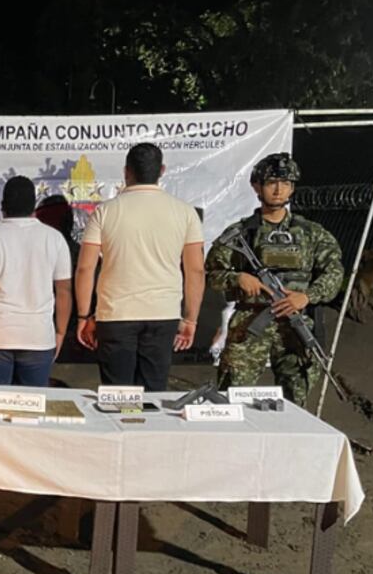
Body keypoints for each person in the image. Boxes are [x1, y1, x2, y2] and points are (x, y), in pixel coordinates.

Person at [206, 153, 343, 405]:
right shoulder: (240, 234)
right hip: (250, 324)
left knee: (296, 397)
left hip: (295, 325)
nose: (279, 190)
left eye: (286, 184)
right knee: (232, 395)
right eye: (271, 183)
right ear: (257, 186)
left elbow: (334, 273)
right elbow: (212, 273)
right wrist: (237, 278)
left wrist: (307, 296)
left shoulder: (312, 234)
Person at [75, 142, 205, 390]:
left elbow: (85, 268)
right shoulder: (186, 213)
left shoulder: (105, 212)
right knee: (154, 393)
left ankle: (125, 424)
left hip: (116, 315)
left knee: (118, 395)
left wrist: (83, 316)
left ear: (126, 172)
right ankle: (150, 427)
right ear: (162, 170)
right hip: (163, 314)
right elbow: (196, 270)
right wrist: (190, 320)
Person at [0, 176, 72, 386]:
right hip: (38, 338)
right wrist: (60, 333)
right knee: (32, 412)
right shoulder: (54, 239)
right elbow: (64, 291)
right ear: (34, 205)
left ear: (2, 206)